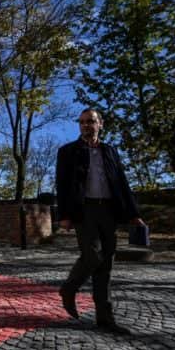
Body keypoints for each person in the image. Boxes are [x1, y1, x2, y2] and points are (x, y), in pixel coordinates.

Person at [55, 108, 146, 335]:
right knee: (93, 254)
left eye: (91, 121)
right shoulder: (68, 151)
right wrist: (64, 215)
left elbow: (122, 182)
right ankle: (69, 288)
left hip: (109, 210)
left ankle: (105, 319)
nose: (86, 125)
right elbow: (62, 185)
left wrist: (133, 213)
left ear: (100, 124)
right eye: (82, 122)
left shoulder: (110, 151)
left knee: (106, 263)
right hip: (83, 210)